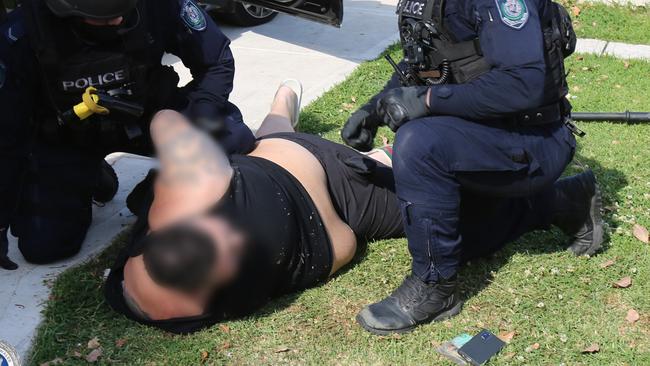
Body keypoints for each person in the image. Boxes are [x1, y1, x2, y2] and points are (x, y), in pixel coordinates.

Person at [342, 0, 605, 334]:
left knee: (419, 143)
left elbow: (522, 84)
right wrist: (376, 108)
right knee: (458, 239)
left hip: (535, 137)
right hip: (490, 135)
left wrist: (427, 102)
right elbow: (425, 58)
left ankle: (434, 288)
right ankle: (565, 201)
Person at [104, 81, 404, 333]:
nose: (239, 237)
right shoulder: (172, 305)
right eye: (235, 253)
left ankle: (284, 101)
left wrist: (211, 144)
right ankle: (369, 152)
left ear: (163, 224)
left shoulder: (197, 183)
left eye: (225, 229)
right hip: (324, 193)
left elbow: (165, 119)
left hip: (301, 162)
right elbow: (343, 241)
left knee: (270, 141)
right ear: (207, 286)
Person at [0, 0, 255, 269]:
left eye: (122, 12)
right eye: (104, 18)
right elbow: (7, 134)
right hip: (68, 136)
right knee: (45, 247)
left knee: (230, 141)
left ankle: (155, 187)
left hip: (147, 116)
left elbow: (216, 62)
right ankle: (91, 177)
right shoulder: (23, 32)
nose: (118, 21)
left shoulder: (160, 6)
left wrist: (198, 124)